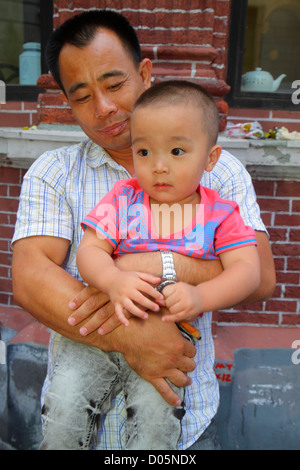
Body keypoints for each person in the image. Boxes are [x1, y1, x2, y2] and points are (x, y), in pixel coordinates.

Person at [11, 10, 276, 450]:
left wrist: (154, 266)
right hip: (76, 423)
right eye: (82, 96)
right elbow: (31, 279)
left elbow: (259, 275)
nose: (104, 108)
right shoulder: (54, 173)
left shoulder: (220, 171)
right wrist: (134, 336)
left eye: (114, 84)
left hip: (185, 425)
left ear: (144, 73)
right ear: (66, 101)